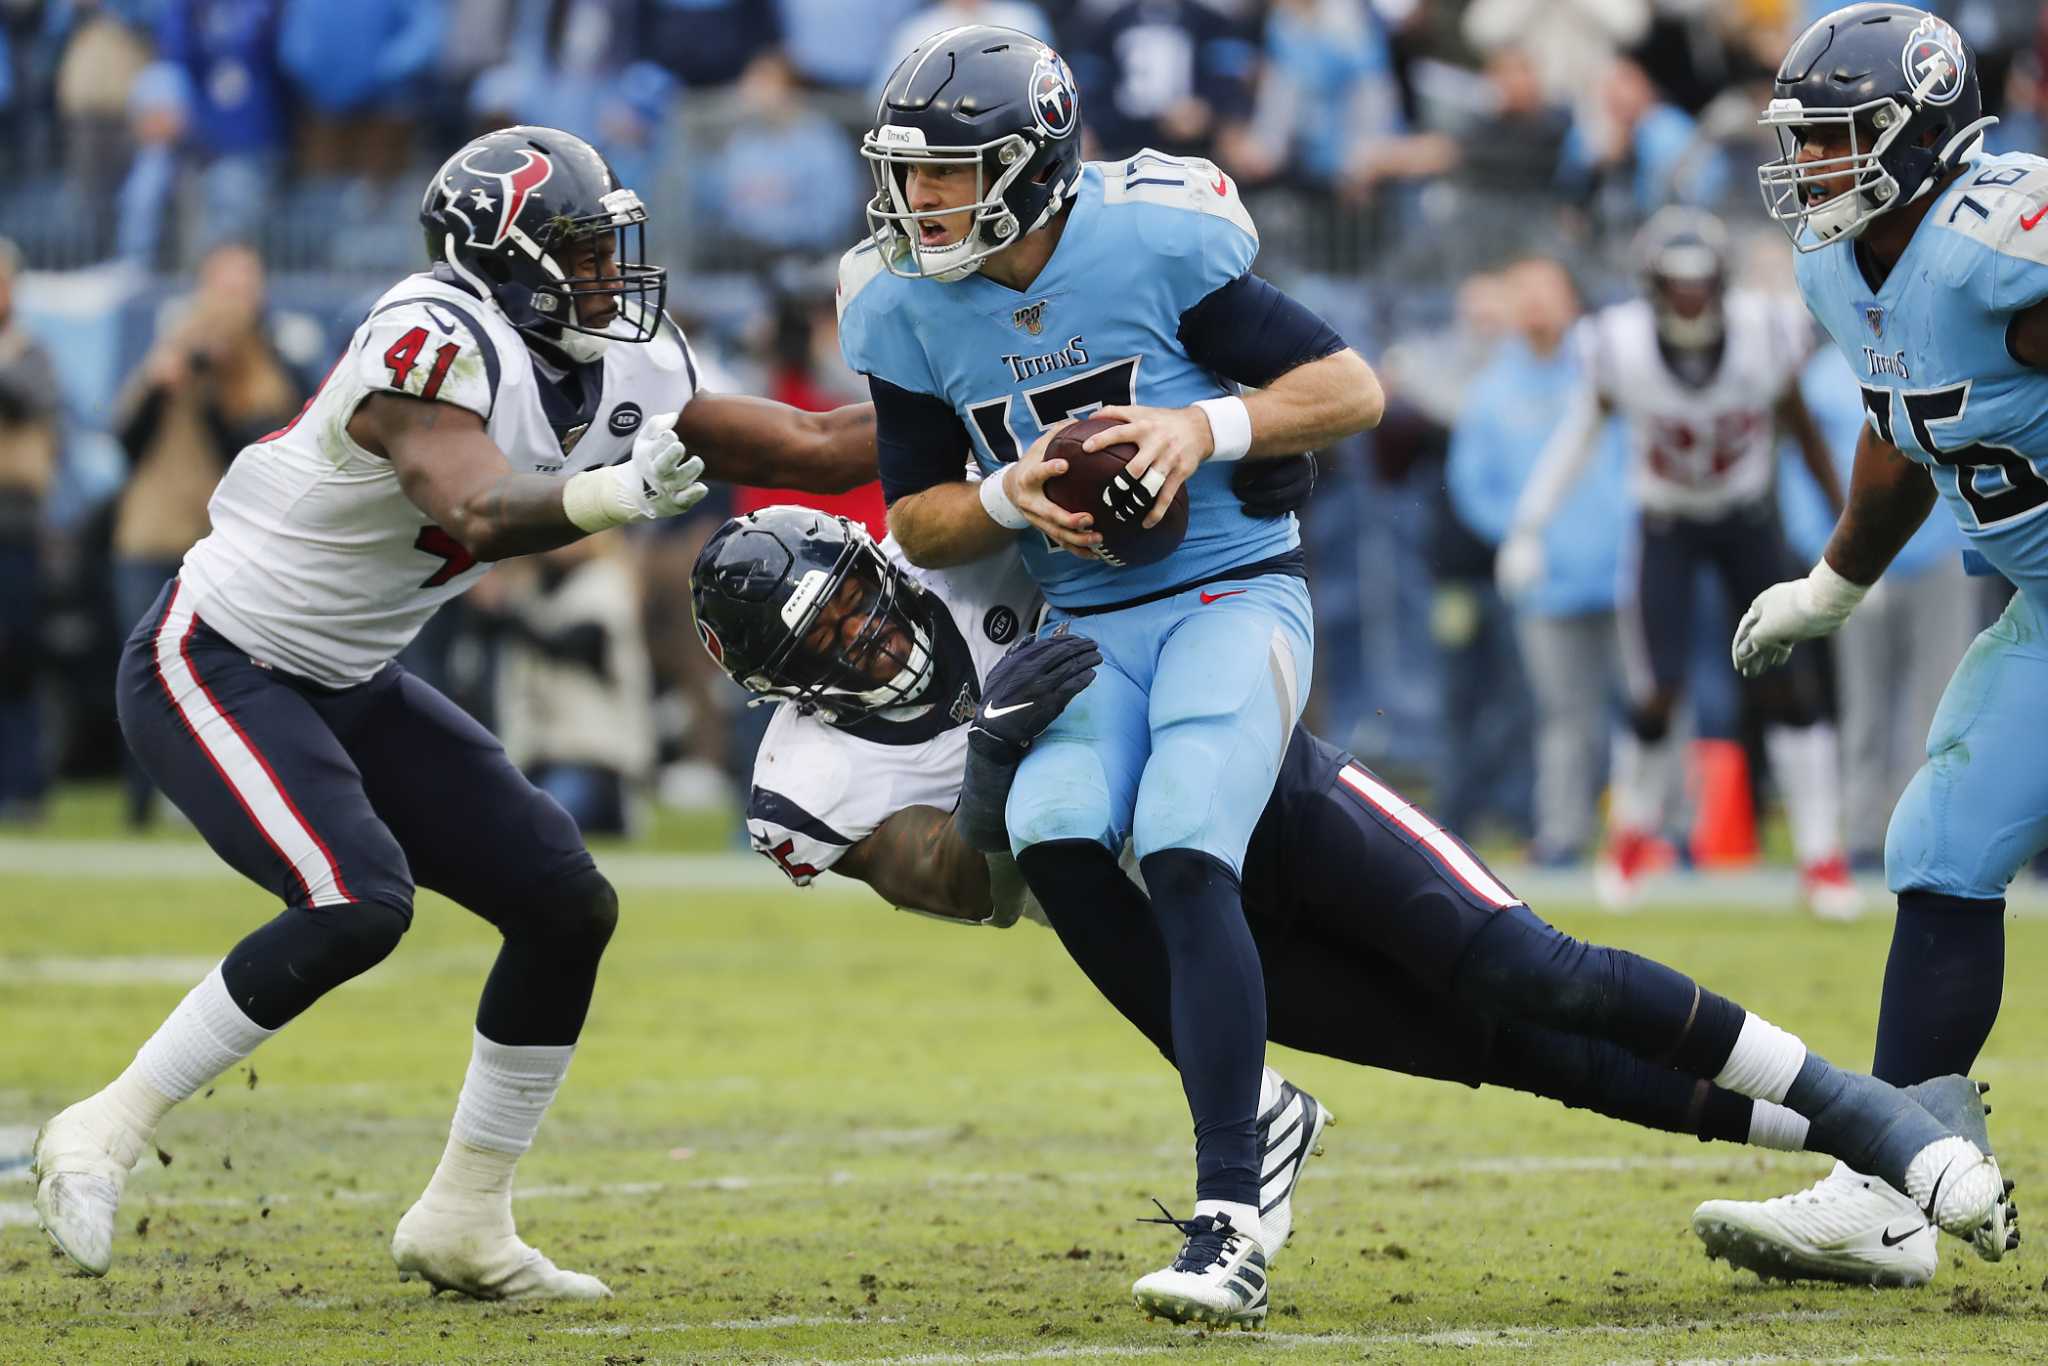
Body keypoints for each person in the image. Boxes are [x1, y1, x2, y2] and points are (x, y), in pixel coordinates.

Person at [687, 504, 2013, 1324]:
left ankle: (1870, 1119)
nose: (872, 640)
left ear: (875, 561)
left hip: (1266, 795)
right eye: (829, 647)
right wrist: (989, 762)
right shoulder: (808, 787)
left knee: (1527, 969)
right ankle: (1869, 1147)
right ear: (780, 688)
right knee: (1525, 1052)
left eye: (859, 602)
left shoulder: (963, 537)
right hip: (1185, 932)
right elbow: (973, 890)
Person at [29, 124, 876, 1299]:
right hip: (216, 656)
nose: (608, 275)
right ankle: (102, 1125)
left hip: (348, 675)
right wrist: (609, 492)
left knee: (563, 904)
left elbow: (819, 446)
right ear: (505, 259)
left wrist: (986, 414)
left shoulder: (620, 359)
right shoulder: (430, 334)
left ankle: (465, 1217)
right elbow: (474, 505)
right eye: (580, 252)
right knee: (352, 900)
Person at [837, 26, 1383, 1325]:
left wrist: (1206, 424)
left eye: (949, 175)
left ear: (1031, 169)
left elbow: (1351, 386)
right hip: (1083, 618)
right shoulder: (899, 299)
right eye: (908, 176)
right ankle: (1261, 1110)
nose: (919, 202)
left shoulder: (1150, 240)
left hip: (1229, 592)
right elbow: (915, 517)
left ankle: (1229, 1210)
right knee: (1053, 830)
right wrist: (1007, 491)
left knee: (1190, 839)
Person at [1693, 2, 2045, 1287]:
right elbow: (1902, 421)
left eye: (1837, 140)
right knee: (1938, 847)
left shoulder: (1998, 240)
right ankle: (1896, 1185)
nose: (1811, 168)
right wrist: (1831, 583)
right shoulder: (1839, 267)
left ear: (1921, 135)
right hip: (2045, 609)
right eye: (1806, 141)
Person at [1496, 207, 1857, 916]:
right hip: (1664, 524)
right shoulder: (1619, 344)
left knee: (1787, 688)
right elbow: (1578, 432)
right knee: (1656, 689)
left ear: (1720, 282)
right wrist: (1530, 526)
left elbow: (1806, 433)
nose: (1690, 298)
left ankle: (1822, 857)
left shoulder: (1766, 330)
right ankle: (1632, 837)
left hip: (1748, 521)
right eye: (1676, 283)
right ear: (1653, 285)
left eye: (1701, 283)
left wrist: (1852, 537)